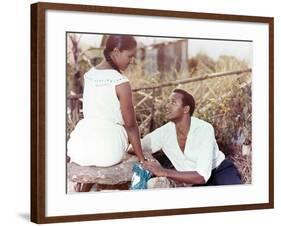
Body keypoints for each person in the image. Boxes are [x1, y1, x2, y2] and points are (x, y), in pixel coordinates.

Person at [67, 35, 146, 191]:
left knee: (98, 130)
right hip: (108, 152)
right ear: (116, 51)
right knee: (121, 130)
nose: (132, 61)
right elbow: (130, 125)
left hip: (79, 148)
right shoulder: (120, 82)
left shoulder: (89, 75)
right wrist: (142, 158)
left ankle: (83, 189)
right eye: (129, 56)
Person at [137, 89, 241, 187]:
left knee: (236, 197)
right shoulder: (164, 132)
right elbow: (136, 146)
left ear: (186, 109)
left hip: (219, 171)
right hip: (194, 182)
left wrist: (163, 171)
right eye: (168, 102)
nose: (167, 106)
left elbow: (202, 176)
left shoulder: (203, 128)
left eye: (173, 102)